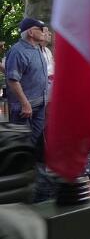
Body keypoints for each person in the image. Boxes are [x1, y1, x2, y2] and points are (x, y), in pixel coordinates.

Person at [4, 18, 49, 146]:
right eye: (41, 29)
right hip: (24, 108)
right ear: (30, 32)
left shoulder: (37, 48)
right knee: (20, 143)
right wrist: (25, 104)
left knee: (36, 141)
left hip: (40, 105)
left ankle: (34, 159)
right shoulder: (17, 52)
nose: (44, 32)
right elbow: (13, 80)